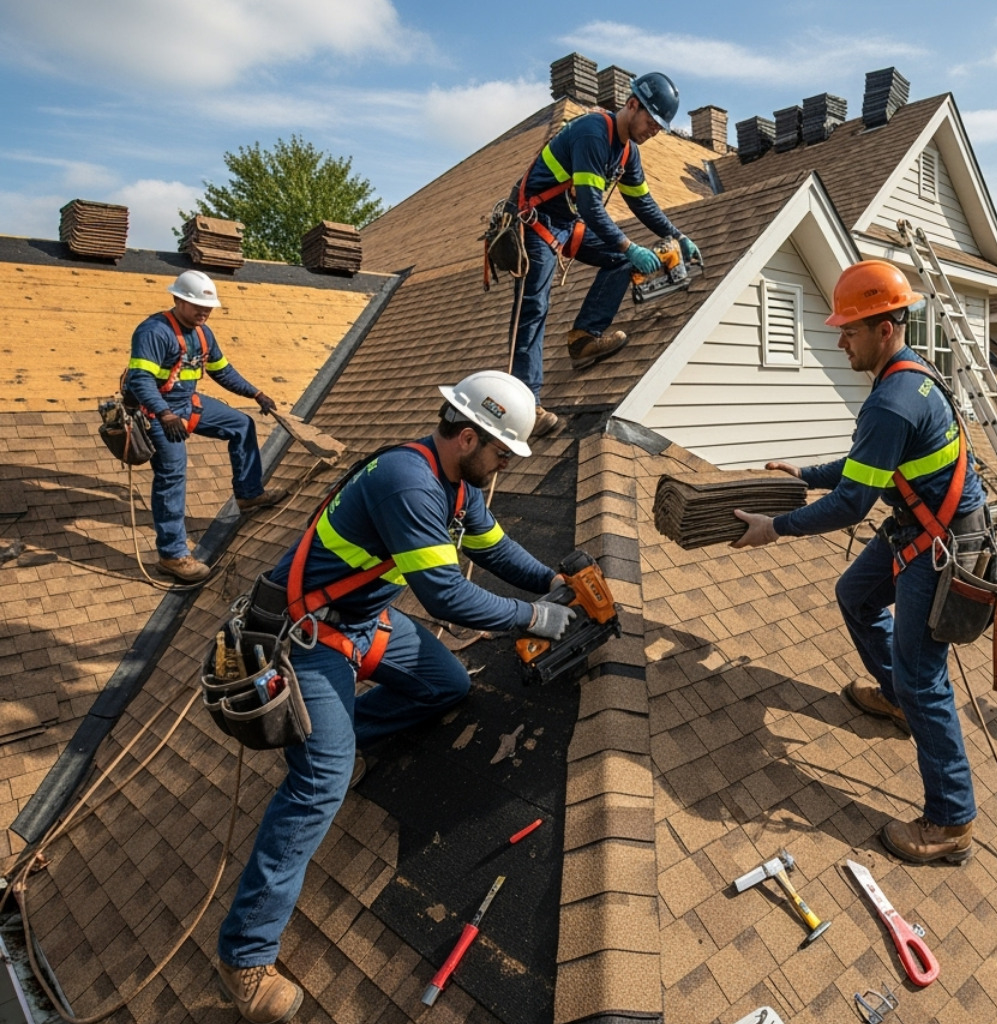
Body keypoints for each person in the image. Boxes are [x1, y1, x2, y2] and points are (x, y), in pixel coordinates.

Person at [215, 371, 577, 1023]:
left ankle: (329, 732)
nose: (504, 465)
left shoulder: (458, 484)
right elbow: (446, 596)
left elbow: (495, 550)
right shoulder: (409, 483)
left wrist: (553, 583)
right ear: (468, 437)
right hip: (308, 634)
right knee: (320, 783)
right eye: (502, 452)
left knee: (446, 685)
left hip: (362, 623)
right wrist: (533, 618)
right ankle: (244, 955)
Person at [731, 260, 988, 866]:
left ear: (885, 328)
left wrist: (774, 527)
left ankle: (951, 821)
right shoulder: (909, 375)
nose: (840, 340)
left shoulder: (892, 400)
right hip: (921, 528)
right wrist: (807, 473)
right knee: (857, 594)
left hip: (939, 546)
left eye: (849, 330)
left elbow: (852, 503)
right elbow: (869, 467)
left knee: (925, 679)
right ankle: (897, 700)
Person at [506, 71, 703, 438]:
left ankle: (584, 340)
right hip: (535, 221)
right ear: (632, 105)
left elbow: (643, 203)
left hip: (567, 223)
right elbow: (590, 206)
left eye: (660, 127)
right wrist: (630, 245)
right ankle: (525, 406)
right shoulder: (594, 133)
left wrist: (677, 235)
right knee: (533, 306)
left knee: (621, 260)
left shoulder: (628, 151)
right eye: (651, 121)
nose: (654, 131)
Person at [124, 270, 286, 583]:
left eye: (208, 307)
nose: (204, 312)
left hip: (187, 404)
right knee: (172, 473)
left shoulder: (203, 334)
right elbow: (140, 380)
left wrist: (255, 393)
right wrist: (164, 414)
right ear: (178, 300)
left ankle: (249, 494)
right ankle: (172, 556)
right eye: (198, 306)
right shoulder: (154, 332)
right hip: (156, 411)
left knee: (242, 425)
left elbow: (222, 371)